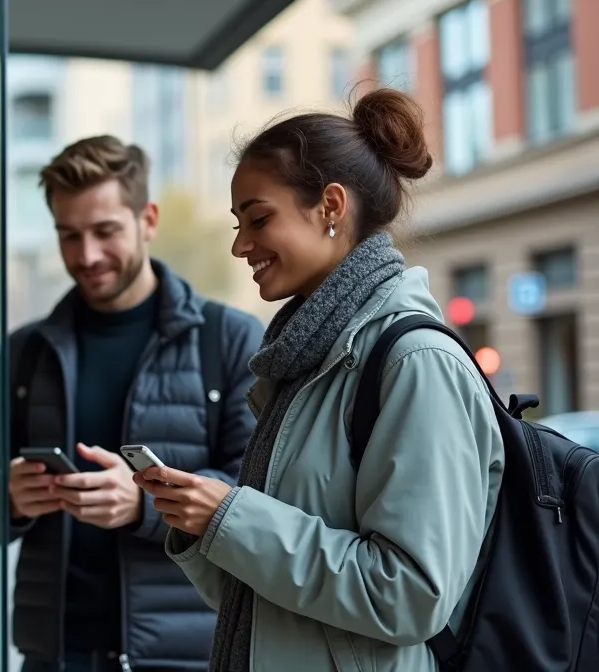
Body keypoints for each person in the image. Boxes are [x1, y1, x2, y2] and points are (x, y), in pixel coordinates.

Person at [139, 88, 505, 671]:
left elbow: (411, 596)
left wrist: (231, 519)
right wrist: (203, 529)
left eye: (259, 218)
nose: (240, 245)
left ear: (331, 206)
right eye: (238, 224)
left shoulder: (414, 362)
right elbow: (275, 608)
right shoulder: (306, 360)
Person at [0, 135, 264, 672]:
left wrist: (144, 506)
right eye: (68, 235)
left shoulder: (229, 340)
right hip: (54, 657)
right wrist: (8, 498)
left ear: (147, 219)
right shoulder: (25, 354)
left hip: (187, 657)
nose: (87, 255)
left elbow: (265, 499)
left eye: (105, 232)